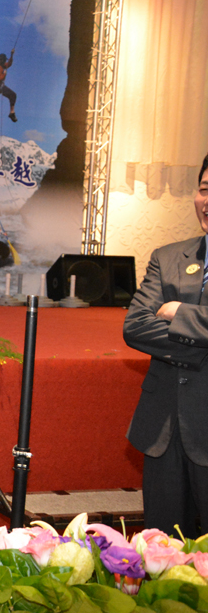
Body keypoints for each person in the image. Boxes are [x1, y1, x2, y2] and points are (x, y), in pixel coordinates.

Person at [123, 153, 208, 537]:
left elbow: (157, 326)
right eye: (204, 189)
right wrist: (202, 346)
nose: (207, 200)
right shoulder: (169, 257)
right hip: (164, 428)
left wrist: (178, 312)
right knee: (162, 553)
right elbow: (136, 327)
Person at [0, 51, 18, 123]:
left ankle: (12, 113)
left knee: (13, 95)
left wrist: (11, 55)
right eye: (5, 60)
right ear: (2, 60)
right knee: (13, 95)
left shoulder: (0, 65)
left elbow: (9, 64)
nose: (5, 62)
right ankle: (12, 113)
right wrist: (4, 74)